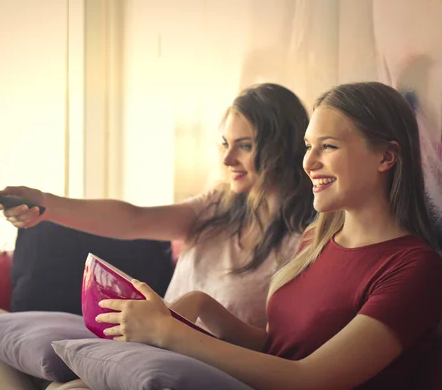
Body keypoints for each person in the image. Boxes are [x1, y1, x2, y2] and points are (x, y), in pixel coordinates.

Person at [0, 83, 315, 390]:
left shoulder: (305, 239)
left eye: (244, 145)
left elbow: (277, 348)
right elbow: (134, 220)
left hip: (195, 364)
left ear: (281, 145)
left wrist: (192, 317)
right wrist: (45, 204)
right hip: (145, 344)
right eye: (225, 144)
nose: (227, 159)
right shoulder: (218, 206)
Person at [95, 82, 442, 390]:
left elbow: (309, 378)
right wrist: (201, 304)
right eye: (309, 146)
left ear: (386, 156)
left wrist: (168, 333)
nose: (309, 163)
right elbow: (277, 350)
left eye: (329, 146)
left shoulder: (413, 268)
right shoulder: (315, 241)